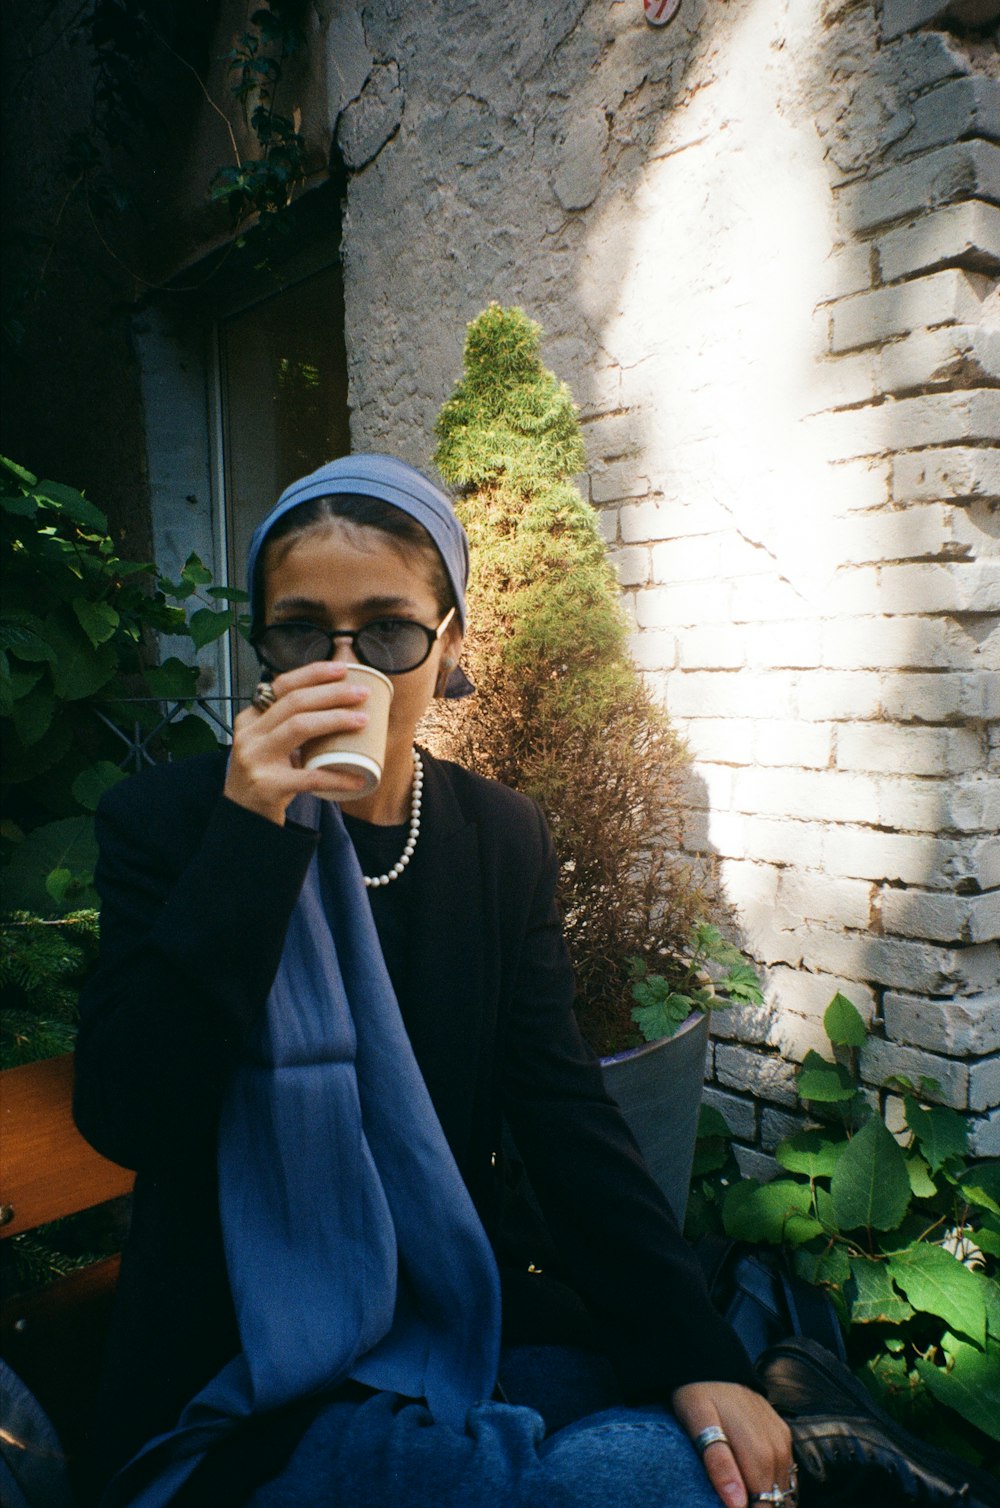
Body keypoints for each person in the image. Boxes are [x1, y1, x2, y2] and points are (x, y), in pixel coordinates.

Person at [73, 454, 794, 1508]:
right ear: (261, 645)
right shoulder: (173, 826)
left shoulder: (497, 836)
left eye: (389, 630)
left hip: (452, 1311)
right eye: (301, 629)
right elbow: (133, 1113)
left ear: (449, 644)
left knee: (678, 1452)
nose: (344, 662)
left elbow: (560, 1107)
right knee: (636, 1479)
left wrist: (699, 1350)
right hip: (243, 1371)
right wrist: (248, 839)